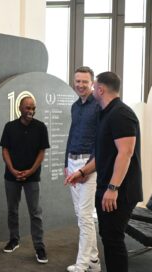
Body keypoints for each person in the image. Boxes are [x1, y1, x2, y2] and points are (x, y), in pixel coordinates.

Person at [65, 71, 143, 272]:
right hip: (107, 187)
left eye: (92, 85)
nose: (89, 89)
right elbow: (102, 155)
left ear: (99, 89)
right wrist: (81, 172)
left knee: (113, 241)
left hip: (120, 191)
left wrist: (113, 187)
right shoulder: (106, 113)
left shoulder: (121, 114)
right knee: (108, 238)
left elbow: (125, 153)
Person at [0, 96, 50, 264]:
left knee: (35, 212)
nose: (31, 110)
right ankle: (14, 240)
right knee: (12, 210)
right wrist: (13, 170)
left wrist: (30, 171)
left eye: (33, 107)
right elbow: (5, 150)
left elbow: (42, 152)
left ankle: (39, 247)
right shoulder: (10, 127)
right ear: (19, 108)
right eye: (27, 107)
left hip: (32, 177)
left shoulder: (41, 127)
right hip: (11, 177)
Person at [64, 66, 101, 272]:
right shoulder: (75, 107)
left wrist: (87, 169)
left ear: (92, 83)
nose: (80, 85)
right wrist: (65, 164)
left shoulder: (98, 107)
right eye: (77, 81)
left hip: (89, 164)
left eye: (84, 82)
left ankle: (82, 264)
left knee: (85, 215)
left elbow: (100, 141)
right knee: (80, 214)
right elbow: (71, 135)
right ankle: (94, 261)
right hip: (72, 161)